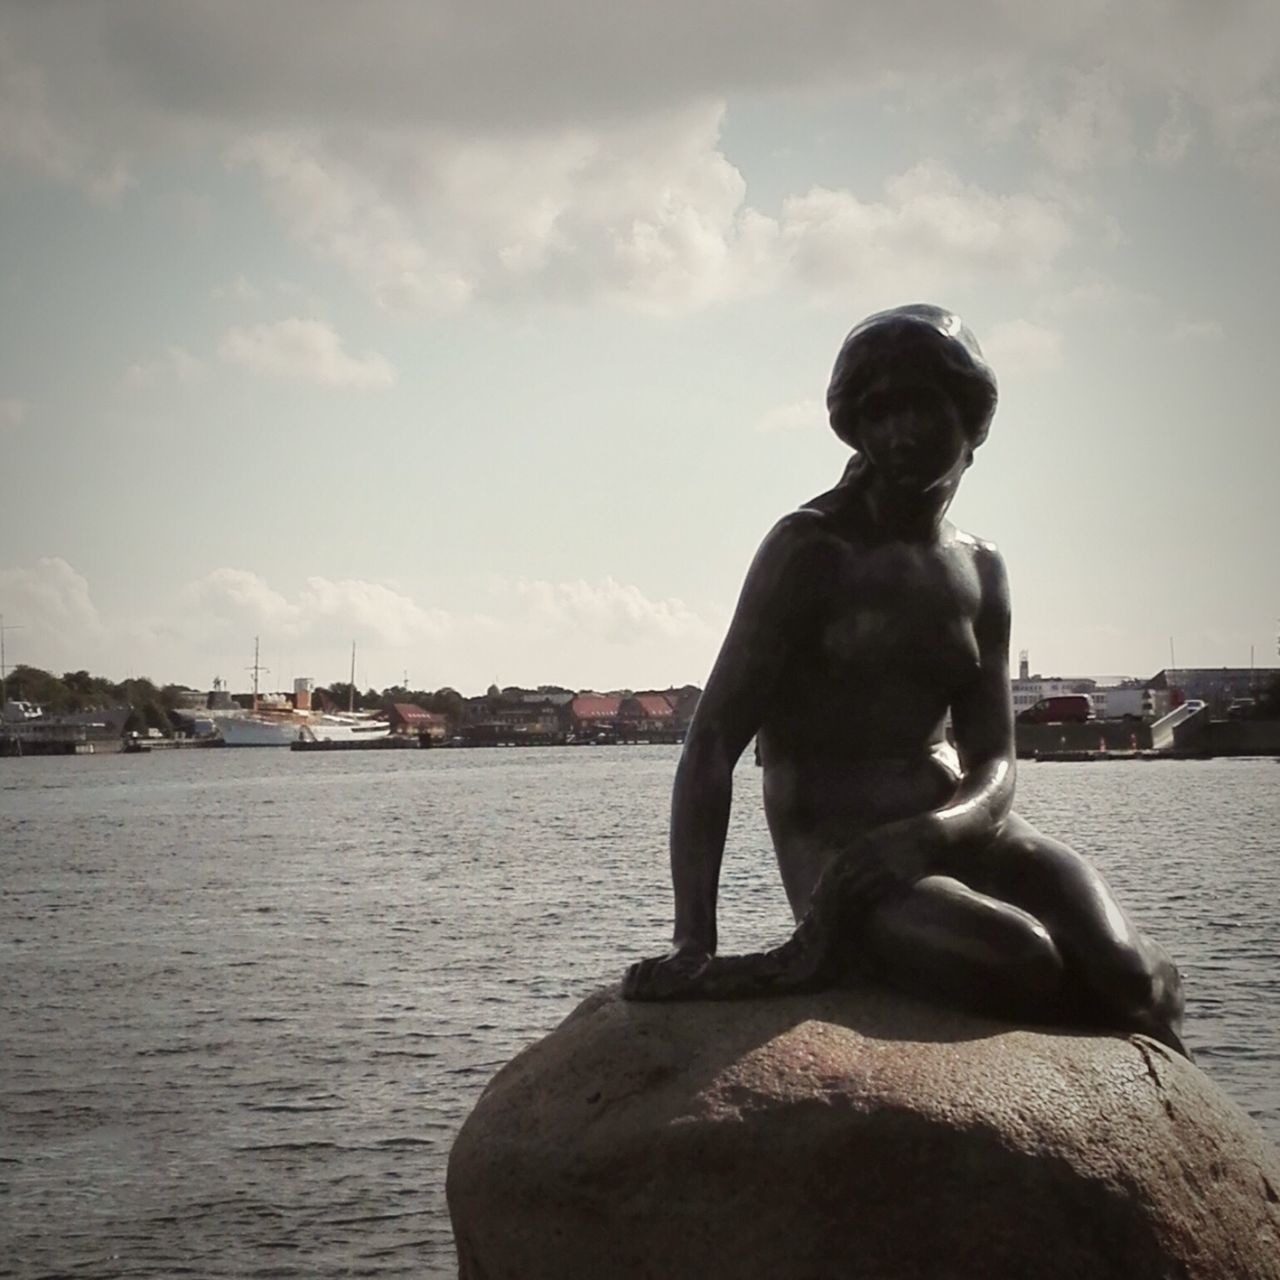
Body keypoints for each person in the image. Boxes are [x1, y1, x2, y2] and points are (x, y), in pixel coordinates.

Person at [622, 304, 1186, 1057]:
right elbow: (711, 745)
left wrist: (931, 834)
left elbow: (995, 762)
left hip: (956, 827)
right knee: (1023, 961)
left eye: (923, 404)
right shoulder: (810, 550)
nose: (902, 432)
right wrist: (694, 940)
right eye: (879, 410)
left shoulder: (981, 569)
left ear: (971, 416)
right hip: (844, 859)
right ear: (854, 425)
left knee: (1139, 979)